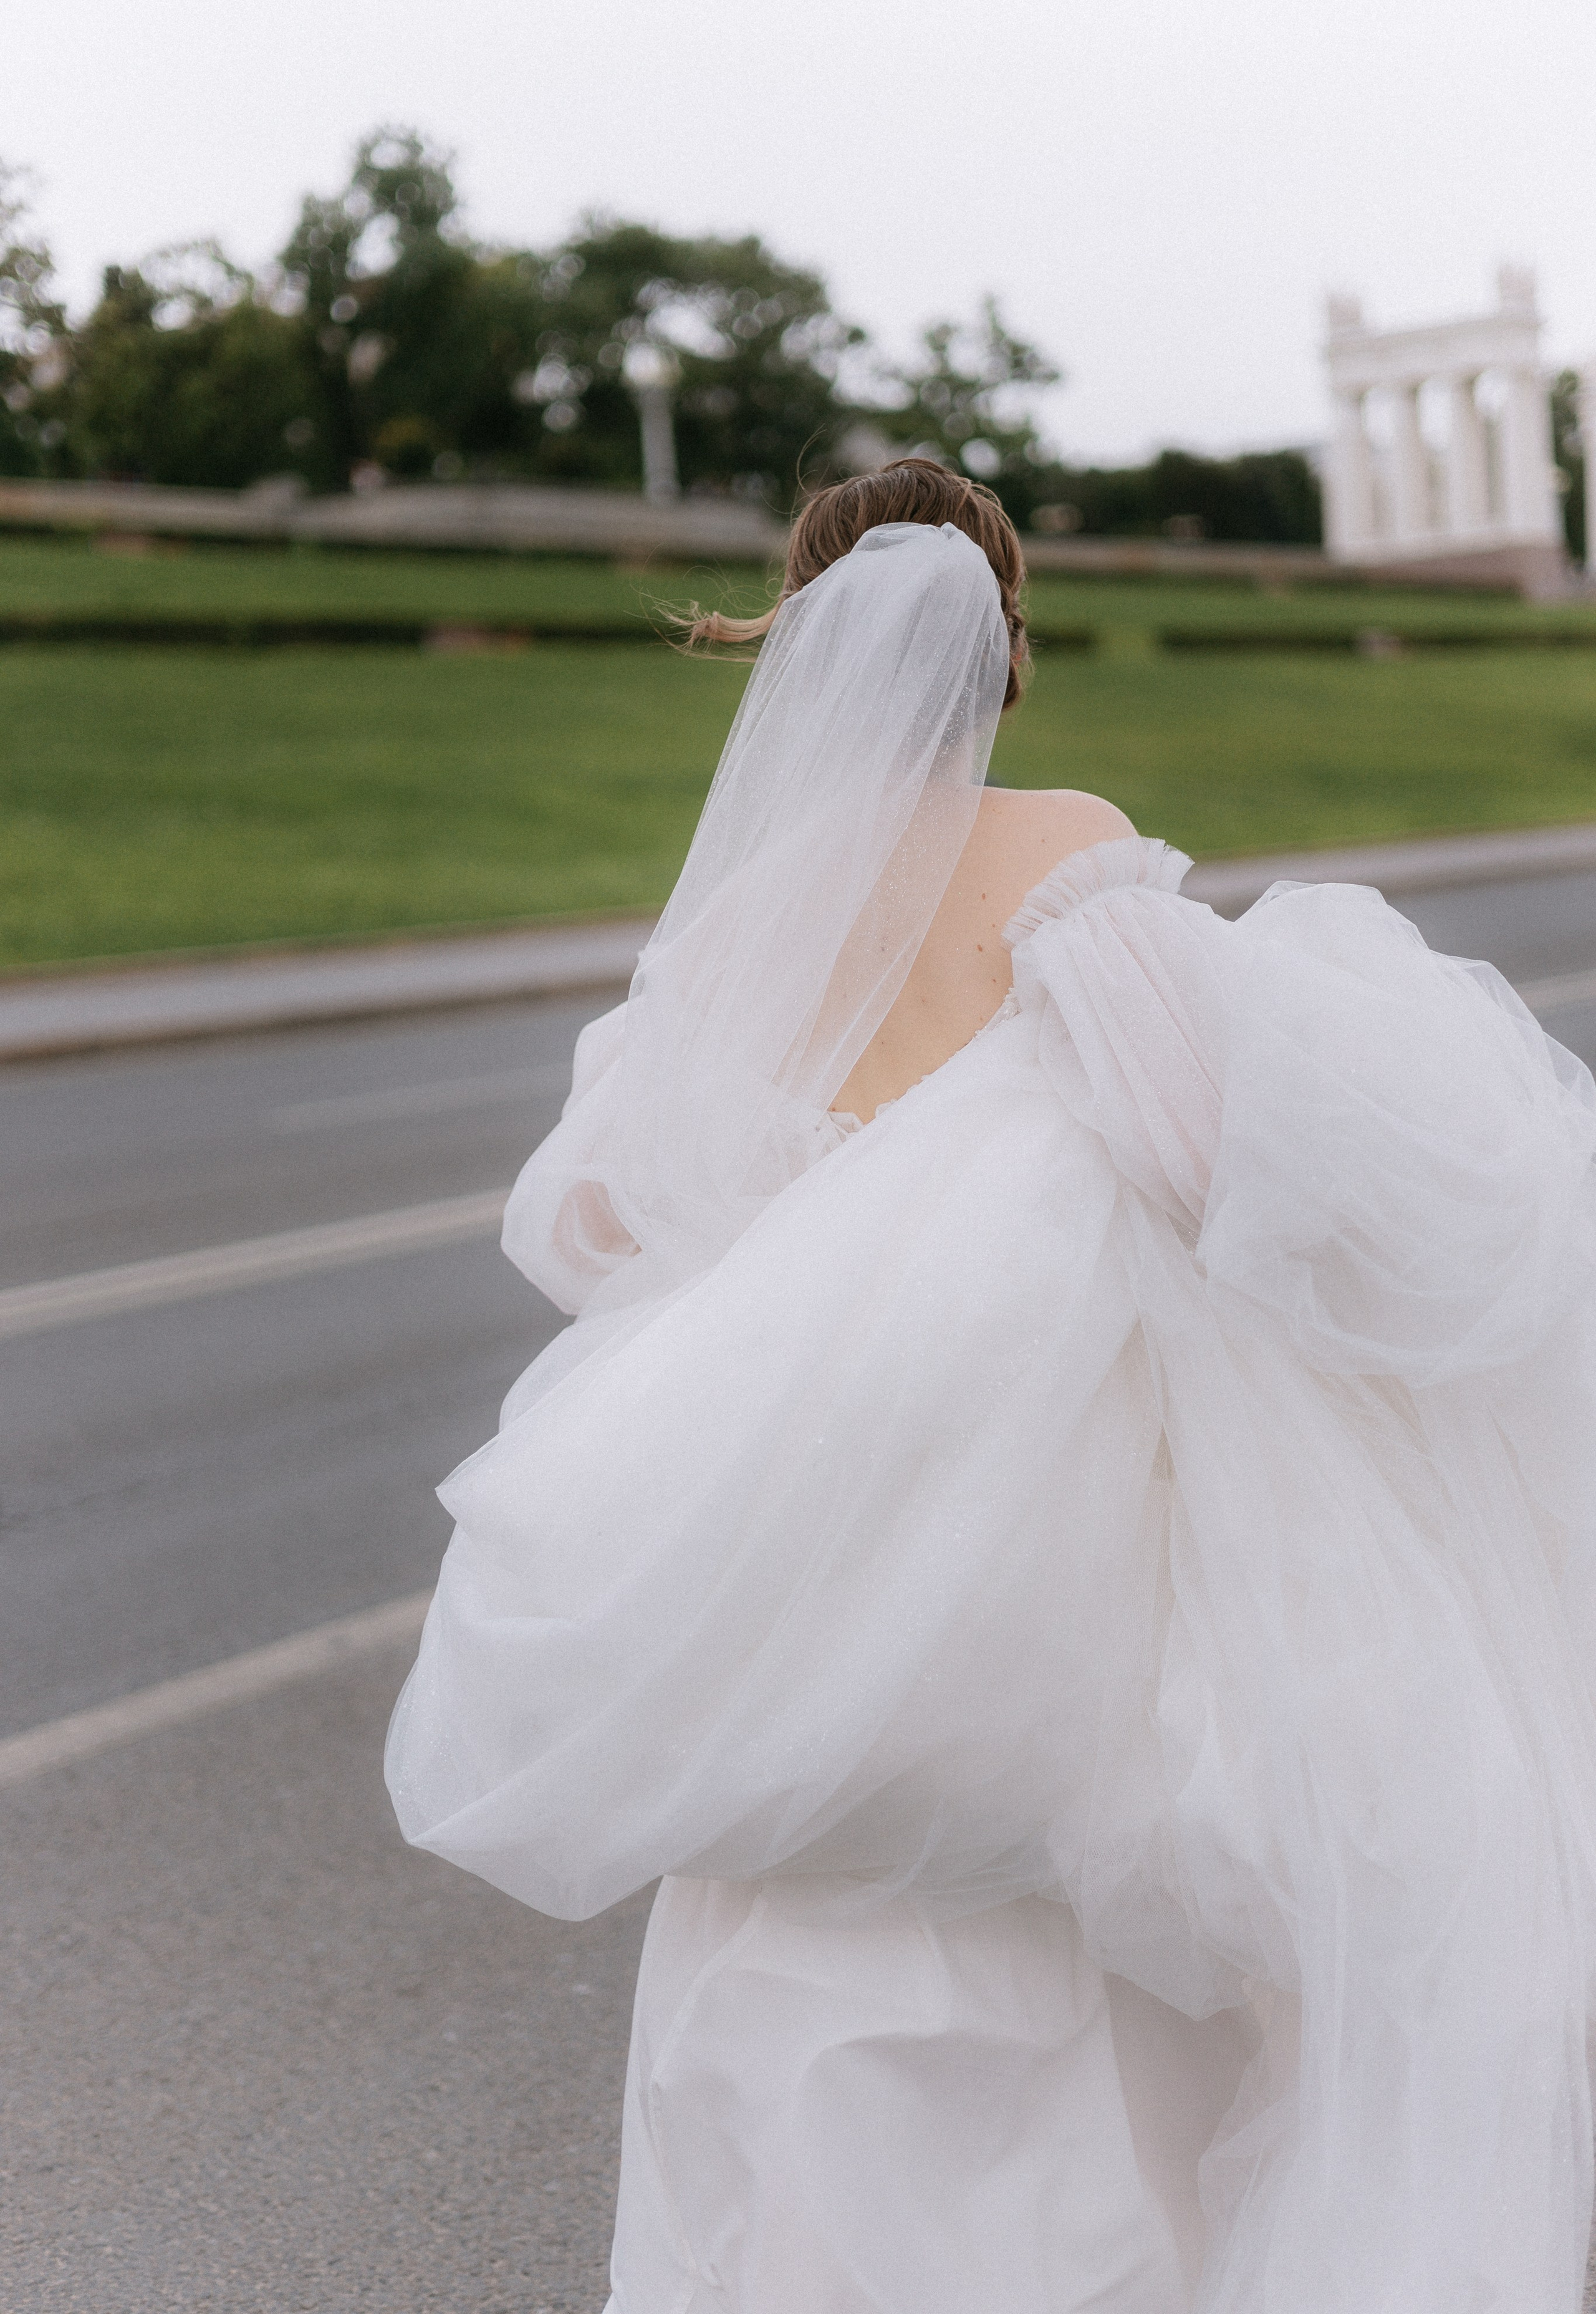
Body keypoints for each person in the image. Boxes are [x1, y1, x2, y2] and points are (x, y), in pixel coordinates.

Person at [387, 461, 1596, 2312]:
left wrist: (820, 1252)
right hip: (1062, 1495)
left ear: (798, 648)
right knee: (1073, 1898)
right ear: (1006, 653)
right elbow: (1199, 1149)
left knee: (808, 1878)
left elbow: (603, 1223)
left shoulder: (738, 926)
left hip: (805, 1493)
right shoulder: (1059, 847)